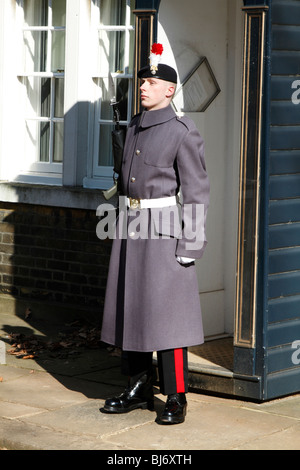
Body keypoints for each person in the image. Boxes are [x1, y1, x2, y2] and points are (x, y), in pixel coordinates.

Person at [100, 44, 210, 424]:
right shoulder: (132, 126)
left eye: (152, 82)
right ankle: (138, 385)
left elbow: (196, 191)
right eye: (143, 81)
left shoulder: (183, 131)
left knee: (168, 316)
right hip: (130, 227)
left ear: (170, 90)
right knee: (133, 308)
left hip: (163, 228)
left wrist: (191, 242)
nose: (143, 87)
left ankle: (176, 395)